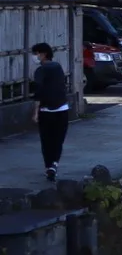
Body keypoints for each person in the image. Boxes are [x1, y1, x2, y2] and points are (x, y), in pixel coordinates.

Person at [30, 43, 69, 182]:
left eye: (36, 53)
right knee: (58, 140)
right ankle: (54, 165)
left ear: (43, 54)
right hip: (63, 109)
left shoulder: (41, 70)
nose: (34, 56)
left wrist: (35, 112)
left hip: (46, 111)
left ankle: (49, 167)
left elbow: (38, 92)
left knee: (46, 141)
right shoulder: (58, 67)